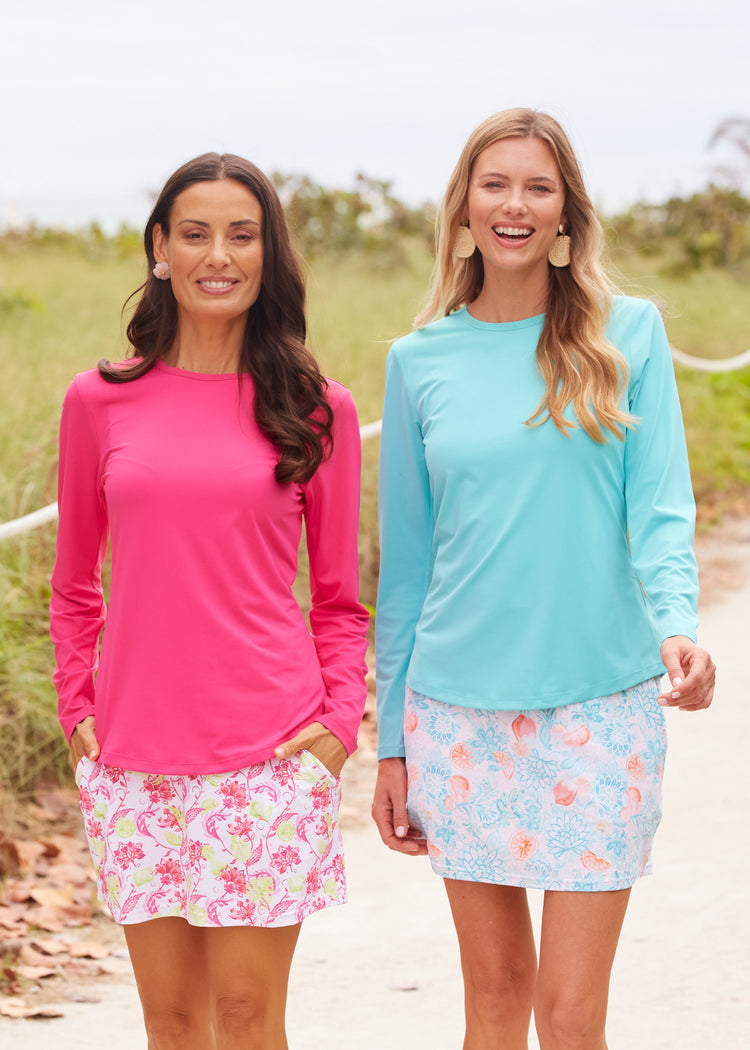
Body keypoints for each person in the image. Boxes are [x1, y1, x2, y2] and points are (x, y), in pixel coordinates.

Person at [372, 108, 715, 1050]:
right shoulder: (420, 361)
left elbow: (660, 509)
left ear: (567, 211)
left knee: (568, 1016)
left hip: (600, 706)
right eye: (495, 184)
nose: (514, 205)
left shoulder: (628, 334)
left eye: (538, 186)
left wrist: (678, 624)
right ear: (464, 208)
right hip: (455, 715)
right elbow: (405, 570)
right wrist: (391, 744)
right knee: (491, 1002)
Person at [51, 152, 370, 1050]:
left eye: (241, 234)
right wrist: (78, 702)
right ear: (160, 248)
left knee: (245, 1016)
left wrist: (340, 722)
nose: (217, 255)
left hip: (269, 756)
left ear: (268, 255)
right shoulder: (98, 403)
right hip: (132, 759)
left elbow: (339, 601)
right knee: (173, 1023)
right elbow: (75, 583)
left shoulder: (316, 408)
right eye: (195, 234)